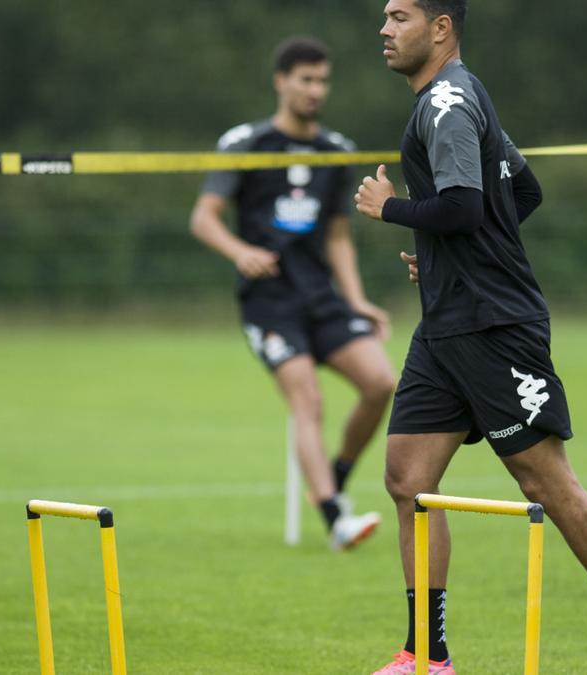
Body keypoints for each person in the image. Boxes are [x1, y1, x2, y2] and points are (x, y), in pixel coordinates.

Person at [355, 2, 587, 673]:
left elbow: (463, 206)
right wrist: (447, 258)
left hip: (494, 325)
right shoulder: (459, 95)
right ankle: (428, 655)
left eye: (399, 15)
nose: (384, 29)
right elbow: (522, 191)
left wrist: (387, 208)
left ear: (440, 27)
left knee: (544, 480)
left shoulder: (446, 101)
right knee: (408, 479)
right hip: (446, 323)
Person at [190, 36, 395, 551]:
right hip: (269, 302)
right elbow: (204, 219)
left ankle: (334, 477)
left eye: (323, 80)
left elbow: (339, 237)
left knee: (380, 382)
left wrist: (357, 300)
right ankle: (335, 520)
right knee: (308, 398)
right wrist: (240, 252)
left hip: (320, 296)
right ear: (280, 81)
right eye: (305, 79)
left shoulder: (336, 151)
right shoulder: (246, 144)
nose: (315, 90)